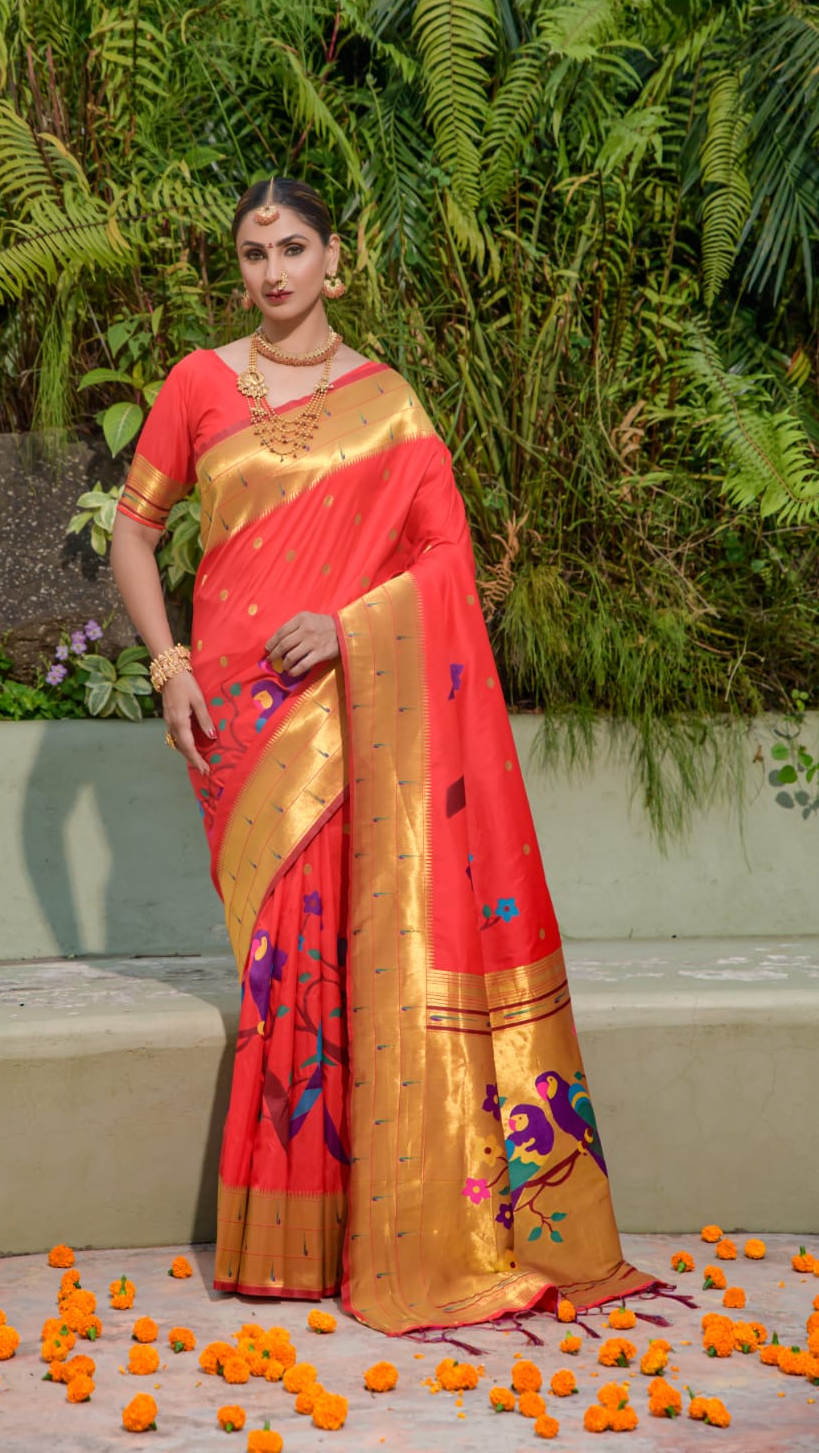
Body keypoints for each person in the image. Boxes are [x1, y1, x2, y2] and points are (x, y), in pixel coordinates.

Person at [110, 177, 654, 1335]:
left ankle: (364, 1233)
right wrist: (172, 669)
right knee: (276, 972)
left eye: (292, 248)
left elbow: (447, 563)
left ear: (334, 259)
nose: (270, 272)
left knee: (355, 965)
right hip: (238, 727)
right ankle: (286, 1234)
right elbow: (134, 528)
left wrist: (350, 626)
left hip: (348, 714)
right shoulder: (199, 384)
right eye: (253, 251)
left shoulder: (390, 405)